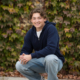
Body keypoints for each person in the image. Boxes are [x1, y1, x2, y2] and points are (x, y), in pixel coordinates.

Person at [15, 7, 65, 80]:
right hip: (40, 62)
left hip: (55, 62)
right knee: (19, 65)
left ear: (44, 19)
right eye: (34, 18)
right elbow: (25, 49)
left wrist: (31, 56)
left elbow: (51, 49)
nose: (36, 21)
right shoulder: (30, 33)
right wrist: (23, 56)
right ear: (31, 20)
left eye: (39, 18)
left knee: (50, 58)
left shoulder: (51, 29)